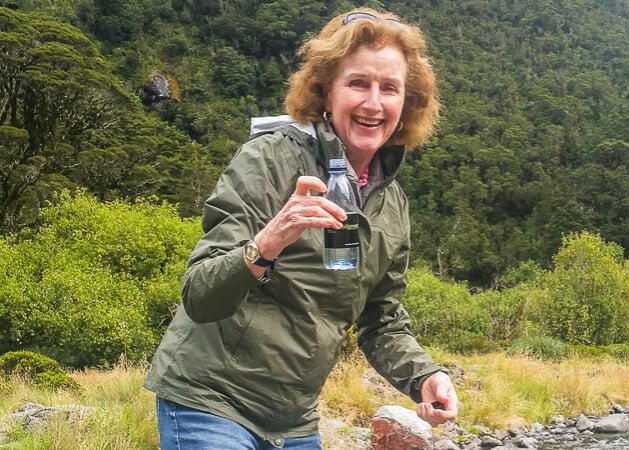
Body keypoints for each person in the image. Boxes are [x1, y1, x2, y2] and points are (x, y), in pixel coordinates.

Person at [143, 7, 459, 450]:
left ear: (407, 103)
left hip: (293, 423)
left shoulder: (391, 205)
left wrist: (426, 376)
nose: (373, 103)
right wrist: (268, 242)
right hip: (210, 402)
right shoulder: (269, 160)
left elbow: (381, 321)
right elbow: (199, 293)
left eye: (390, 88)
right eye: (357, 83)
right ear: (325, 91)